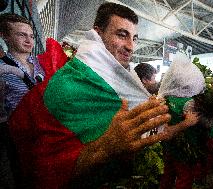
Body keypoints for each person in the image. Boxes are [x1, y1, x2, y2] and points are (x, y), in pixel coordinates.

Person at [8, 3, 199, 188]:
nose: (131, 46)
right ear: (98, 34)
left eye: (135, 38)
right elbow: (43, 169)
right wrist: (104, 148)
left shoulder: (123, 85)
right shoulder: (68, 87)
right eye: (122, 35)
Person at [0, 13, 45, 188]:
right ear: (5, 36)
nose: (29, 40)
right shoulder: (2, 68)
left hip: (45, 132)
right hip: (18, 137)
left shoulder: (43, 63)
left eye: (31, 36)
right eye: (21, 35)